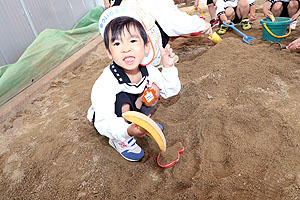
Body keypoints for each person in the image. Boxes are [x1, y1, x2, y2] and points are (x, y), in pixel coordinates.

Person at [87, 7, 181, 162]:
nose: (126, 48)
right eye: (117, 43)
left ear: (146, 46)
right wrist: (126, 131)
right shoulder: (106, 82)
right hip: (113, 119)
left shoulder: (148, 70)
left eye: (132, 41)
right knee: (122, 98)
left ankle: (142, 122)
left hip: (133, 108)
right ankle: (120, 140)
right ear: (109, 52)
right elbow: (104, 121)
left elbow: (170, 91)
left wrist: (168, 67)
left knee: (154, 89)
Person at [103, 0, 213, 47]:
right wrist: (202, 24)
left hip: (119, 41)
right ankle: (156, 58)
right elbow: (173, 21)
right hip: (137, 46)